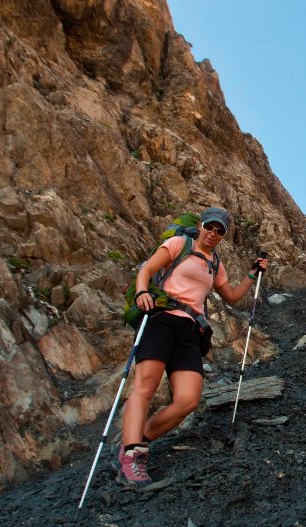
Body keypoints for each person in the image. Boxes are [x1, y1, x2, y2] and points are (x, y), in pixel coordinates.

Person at [115, 206, 268, 487]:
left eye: (220, 230)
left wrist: (252, 274)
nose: (213, 233)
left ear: (223, 235)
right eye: (210, 226)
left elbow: (232, 297)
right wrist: (141, 292)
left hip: (191, 330)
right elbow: (147, 269)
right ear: (201, 225)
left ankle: (137, 439)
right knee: (145, 387)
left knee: (188, 400)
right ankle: (131, 456)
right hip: (161, 318)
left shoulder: (215, 264)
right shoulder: (179, 244)